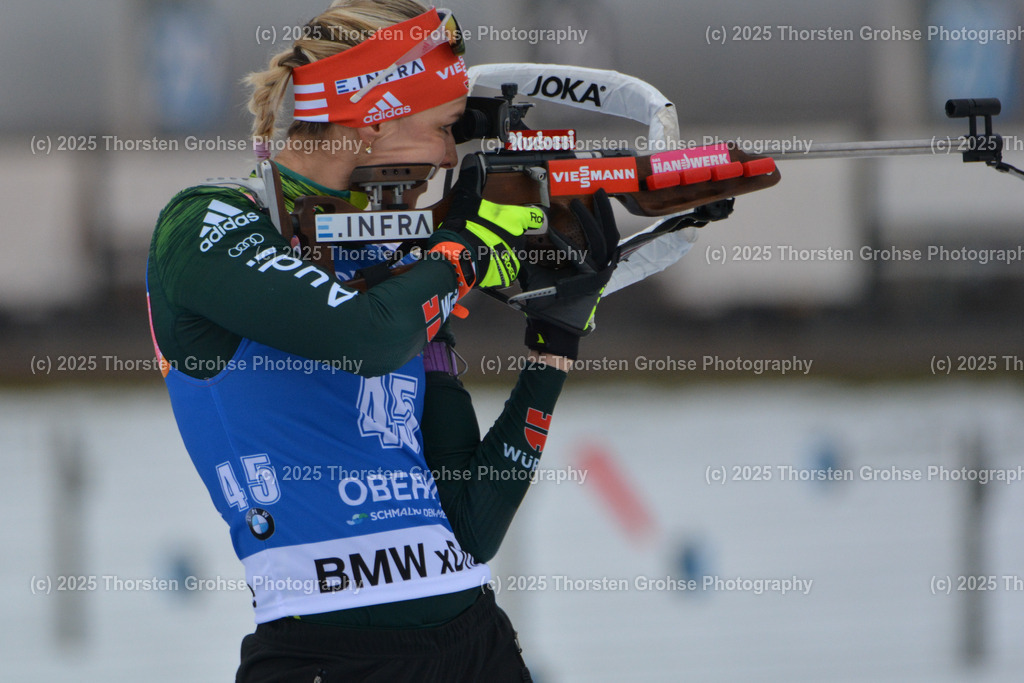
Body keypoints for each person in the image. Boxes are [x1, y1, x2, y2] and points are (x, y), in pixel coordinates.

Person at [146, 1, 617, 680]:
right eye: (444, 130)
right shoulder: (204, 224)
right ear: (373, 119)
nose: (452, 156)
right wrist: (469, 248)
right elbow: (363, 339)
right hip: (323, 655)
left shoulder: (395, 255)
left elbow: (471, 527)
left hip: (474, 641)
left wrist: (557, 342)